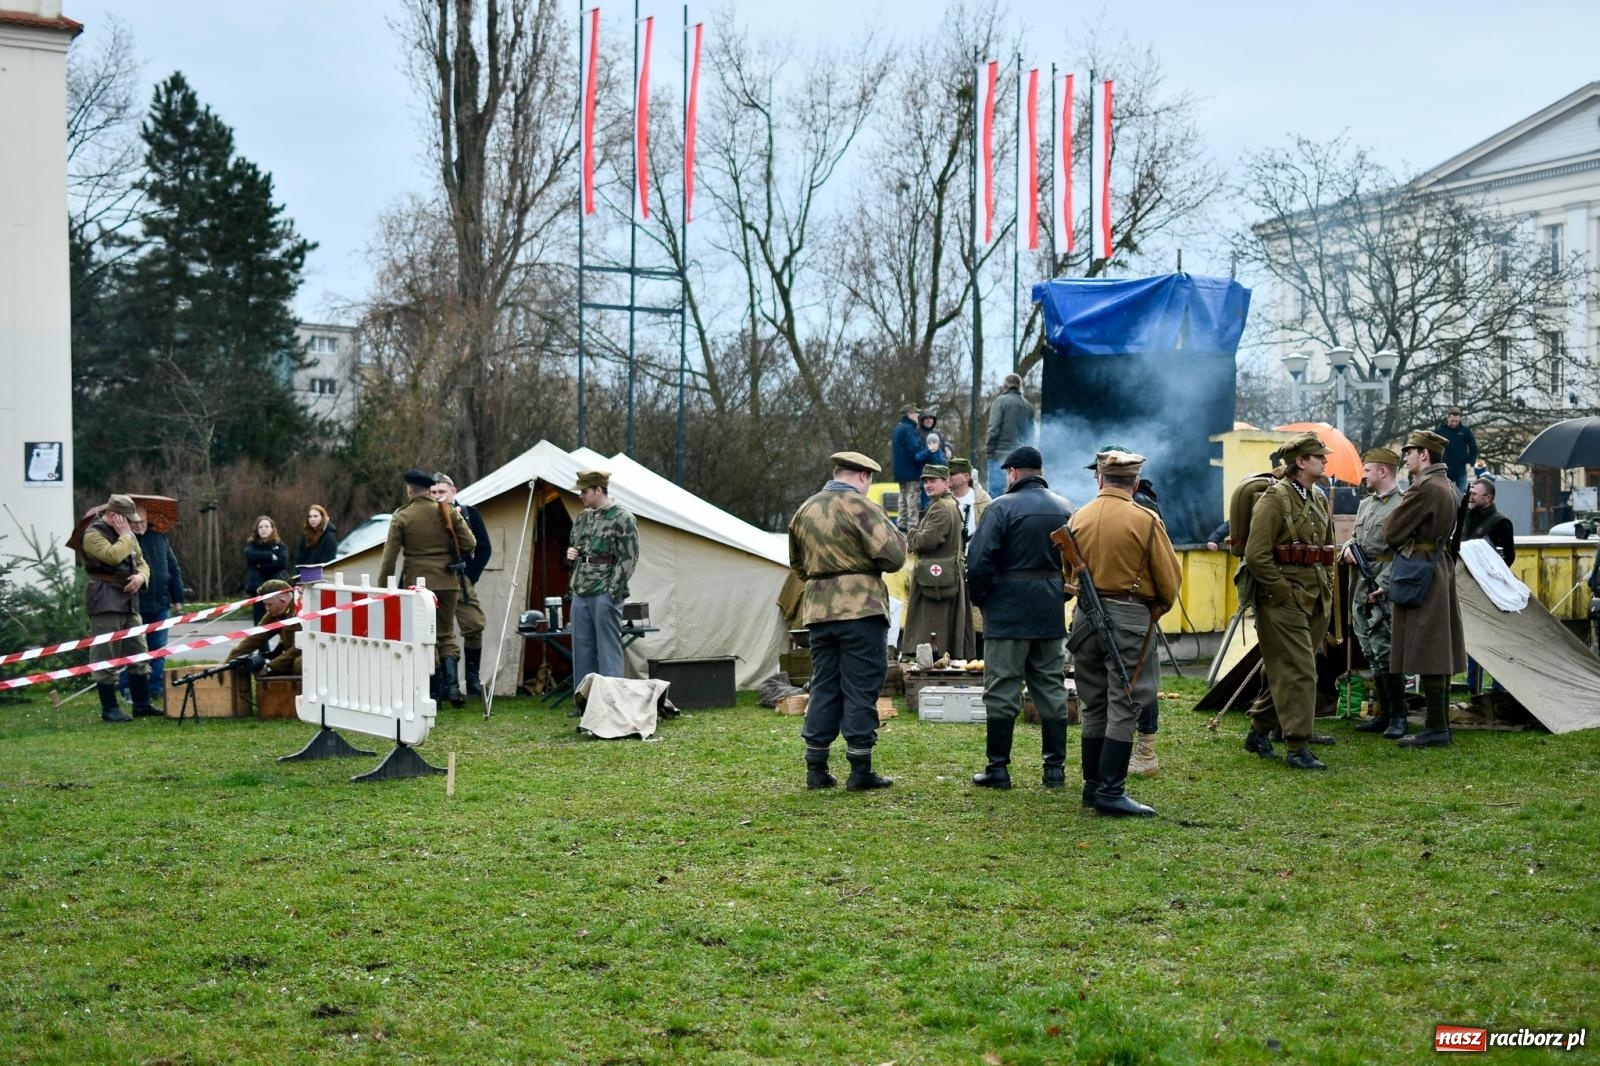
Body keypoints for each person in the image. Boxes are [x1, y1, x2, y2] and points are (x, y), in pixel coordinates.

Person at [1065, 450, 1183, 814]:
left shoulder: (1077, 517)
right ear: (1134, 482)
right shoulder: (1145, 519)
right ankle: (1111, 792)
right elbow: (1170, 581)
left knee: (1095, 703)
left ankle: (1092, 787)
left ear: (1100, 479)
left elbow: (1067, 576)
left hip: (1085, 618)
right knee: (1126, 702)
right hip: (1130, 618)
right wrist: (1156, 608)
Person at [789, 451, 908, 791]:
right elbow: (895, 557)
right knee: (860, 685)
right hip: (860, 607)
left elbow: (797, 564)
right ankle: (860, 768)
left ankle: (816, 767)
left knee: (825, 683)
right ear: (862, 477)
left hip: (818, 609)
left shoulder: (805, 509)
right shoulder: (862, 507)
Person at [965, 445, 1073, 791]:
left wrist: (983, 600)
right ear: (1039, 471)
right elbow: (1077, 563)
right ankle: (1054, 770)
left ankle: (998, 769)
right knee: (1051, 688)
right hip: (1048, 613)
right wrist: (1060, 593)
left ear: (1012, 473)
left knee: (1001, 689)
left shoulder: (1001, 508)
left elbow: (979, 560)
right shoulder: (1066, 509)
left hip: (1007, 613)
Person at [1241, 432, 1336, 770]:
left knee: (1289, 668)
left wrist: (1327, 593)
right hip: (1283, 600)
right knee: (1301, 671)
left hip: (1315, 598)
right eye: (1318, 456)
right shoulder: (1275, 499)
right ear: (1300, 462)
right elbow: (1256, 555)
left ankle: (1258, 730)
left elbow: (1326, 551)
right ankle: (1297, 745)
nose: (1325, 460)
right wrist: (1282, 593)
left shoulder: (1320, 498)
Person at [1385, 429, 1467, 747]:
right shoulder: (1447, 485)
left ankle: (1435, 727)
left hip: (1422, 568)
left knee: (1432, 648)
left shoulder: (1425, 488)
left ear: (1425, 455)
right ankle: (1440, 724)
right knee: (1439, 645)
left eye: (1410, 452)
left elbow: (1392, 531)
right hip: (1438, 565)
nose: (1405, 457)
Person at [378, 468, 478, 705]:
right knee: (446, 633)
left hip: (418, 586)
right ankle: (453, 689)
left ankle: (432, 691)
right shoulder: (448, 512)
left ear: (410, 490)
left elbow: (389, 558)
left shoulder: (402, 516)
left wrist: (384, 587)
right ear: (429, 490)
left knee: (424, 635)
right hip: (448, 581)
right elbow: (470, 542)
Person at [1343, 448, 1406, 738]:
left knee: (1386, 651)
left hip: (1382, 585)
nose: (1363, 475)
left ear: (1383, 472)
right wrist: (1346, 549)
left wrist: (1385, 582)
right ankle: (1383, 714)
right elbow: (1355, 538)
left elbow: (1405, 550)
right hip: (1359, 584)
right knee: (1369, 650)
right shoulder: (1366, 504)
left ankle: (1399, 716)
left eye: (1367, 470)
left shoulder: (1403, 505)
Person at [80, 494, 156, 722]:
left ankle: (142, 704)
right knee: (106, 654)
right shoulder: (93, 534)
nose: (132, 523)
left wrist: (141, 578)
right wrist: (126, 537)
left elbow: (142, 562)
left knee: (139, 652)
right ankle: (110, 709)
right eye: (127, 519)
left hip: (129, 601)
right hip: (105, 601)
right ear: (113, 516)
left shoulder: (127, 534)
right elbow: (113, 557)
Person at [565, 470, 640, 686]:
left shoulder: (622, 517)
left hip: (605, 590)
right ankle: (585, 703)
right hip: (581, 589)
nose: (581, 496)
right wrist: (571, 553)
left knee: (608, 649)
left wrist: (612, 591)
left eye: (584, 491)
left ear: (599, 490)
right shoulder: (582, 518)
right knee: (582, 649)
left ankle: (611, 701)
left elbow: (629, 558)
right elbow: (576, 547)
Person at [903, 464, 977, 661]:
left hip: (937, 582)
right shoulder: (946, 505)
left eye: (933, 481)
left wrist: (910, 535)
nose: (928, 485)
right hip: (943, 579)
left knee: (933, 630)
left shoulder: (942, 509)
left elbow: (924, 542)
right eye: (926, 481)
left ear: (946, 483)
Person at [432, 472, 493, 696]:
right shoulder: (428, 515)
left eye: (442, 491)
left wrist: (471, 576)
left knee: (474, 625)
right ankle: (444, 684)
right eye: (434, 492)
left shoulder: (469, 513)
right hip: (436, 579)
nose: (438, 496)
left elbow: (484, 548)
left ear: (453, 491)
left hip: (461, 579)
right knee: (438, 631)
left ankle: (472, 678)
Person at [118, 506, 184, 704]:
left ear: (149, 520)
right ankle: (128, 688)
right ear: (127, 523)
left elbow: (173, 568)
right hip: (134, 605)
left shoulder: (161, 538)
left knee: (158, 650)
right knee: (132, 651)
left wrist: (177, 597)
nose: (139, 526)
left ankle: (156, 688)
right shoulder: (123, 541)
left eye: (142, 522)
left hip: (161, 604)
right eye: (135, 523)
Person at [230, 579, 301, 677]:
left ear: (283, 600)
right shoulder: (274, 613)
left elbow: (300, 647)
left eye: (269, 604)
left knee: (299, 664)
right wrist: (229, 662)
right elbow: (254, 638)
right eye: (265, 604)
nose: (267, 609)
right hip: (289, 655)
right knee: (255, 663)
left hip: (307, 654)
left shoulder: (301, 610)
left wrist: (271, 666)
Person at [984, 373, 1037, 497]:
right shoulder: (1028, 406)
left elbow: (994, 429)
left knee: (995, 494)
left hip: (999, 455)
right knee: (1018, 493)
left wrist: (989, 450)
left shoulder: (1000, 402)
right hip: (1020, 458)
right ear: (1020, 386)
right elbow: (1030, 435)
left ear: (1005, 386)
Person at [244, 516, 288, 624]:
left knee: (280, 620)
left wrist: (260, 566)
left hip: (275, 588)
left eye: (267, 526)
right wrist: (269, 556)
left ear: (272, 528)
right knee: (259, 621)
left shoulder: (279, 545)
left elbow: (281, 563)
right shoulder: (251, 545)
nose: (264, 529)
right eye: (261, 527)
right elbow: (250, 556)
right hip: (258, 587)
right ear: (257, 530)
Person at [890, 403, 928, 531]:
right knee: (913, 501)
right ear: (910, 413)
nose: (918, 415)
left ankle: (901, 526)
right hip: (911, 472)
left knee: (902, 500)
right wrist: (928, 453)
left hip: (900, 472)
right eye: (916, 413)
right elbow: (914, 452)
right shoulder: (909, 429)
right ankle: (912, 530)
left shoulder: (897, 428)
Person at [1433, 406, 1479, 495]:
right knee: (1444, 495)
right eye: (1452, 421)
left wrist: (1470, 463)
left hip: (1461, 470)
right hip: (1444, 470)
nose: (1454, 423)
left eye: (1456, 421)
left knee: (1461, 497)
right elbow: (1433, 448)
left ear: (1460, 419)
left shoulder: (1465, 431)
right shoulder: (1440, 431)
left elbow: (1473, 448)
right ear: (1448, 418)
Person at [293, 504, 339, 569]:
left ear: (322, 517)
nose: (312, 519)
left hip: (321, 575)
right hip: (305, 575)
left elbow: (328, 561)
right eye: (310, 516)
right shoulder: (306, 535)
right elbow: (299, 558)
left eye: (315, 516)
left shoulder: (329, 536)